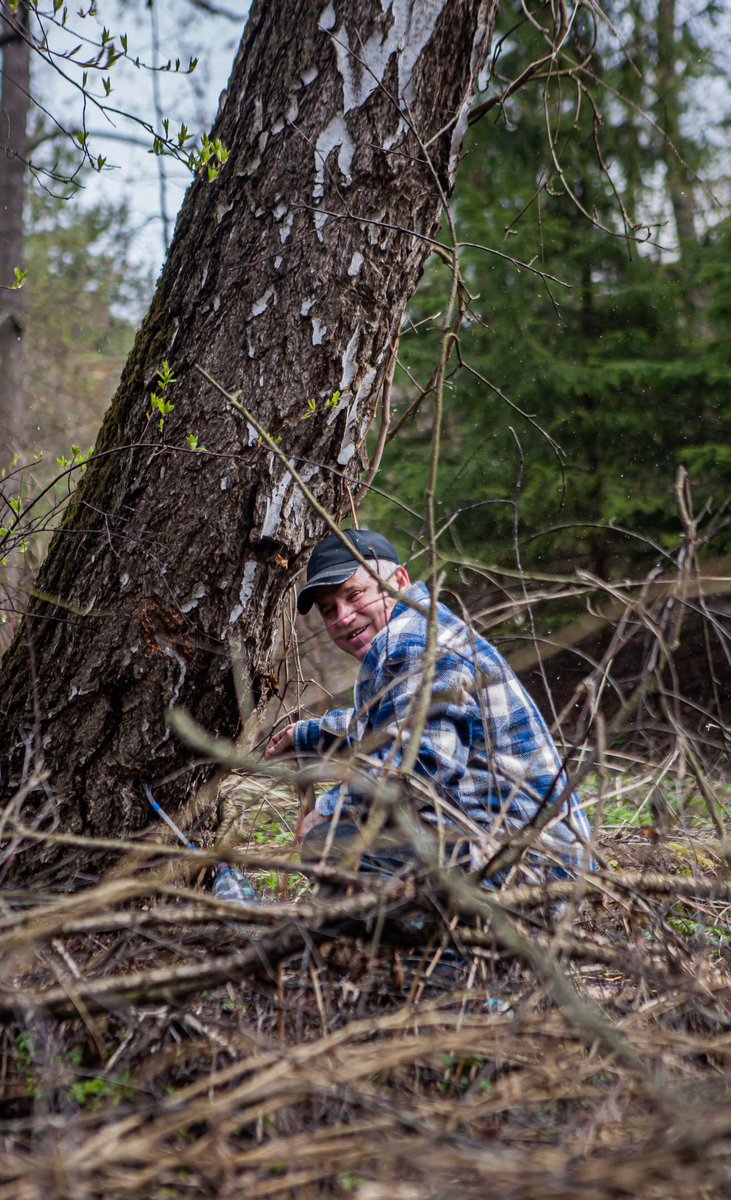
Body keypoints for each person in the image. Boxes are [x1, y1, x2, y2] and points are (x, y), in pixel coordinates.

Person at [264, 528, 592, 886]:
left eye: (354, 595)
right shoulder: (421, 629)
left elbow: (417, 766)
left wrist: (331, 808)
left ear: (398, 581)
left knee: (333, 842)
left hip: (532, 868)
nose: (343, 617)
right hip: (546, 858)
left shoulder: (412, 643)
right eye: (330, 610)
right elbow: (393, 724)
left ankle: (440, 940)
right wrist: (308, 735)